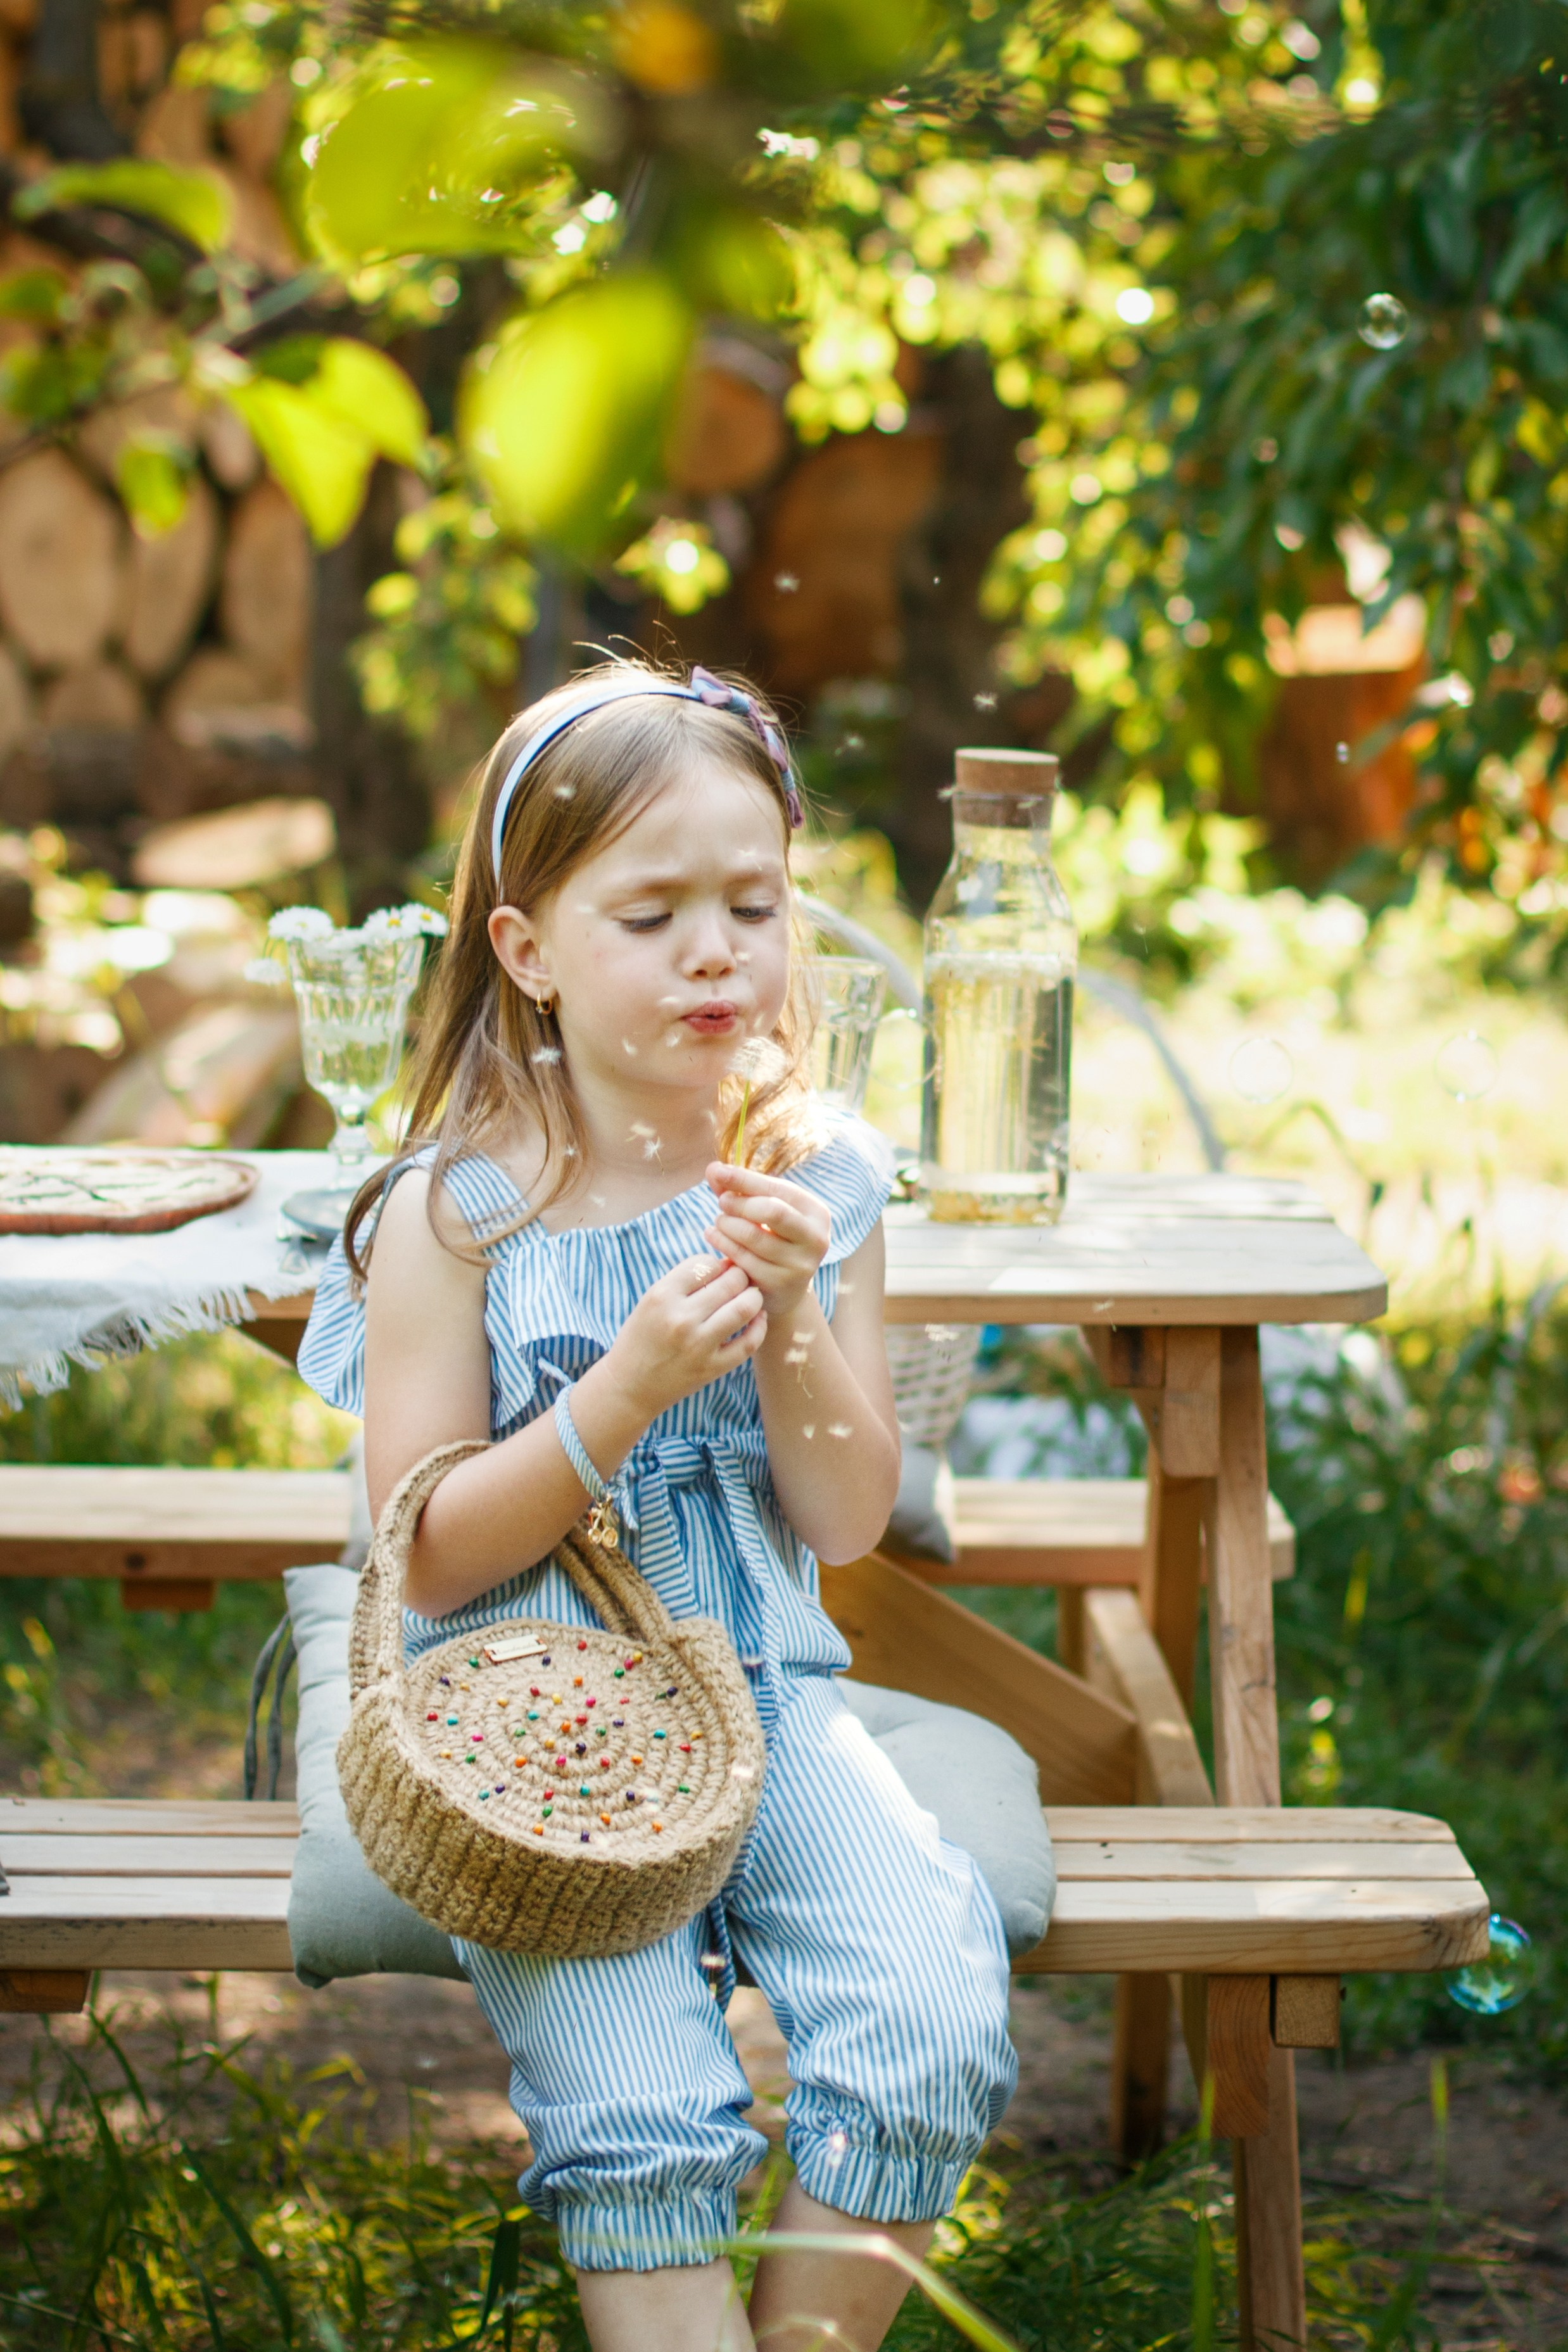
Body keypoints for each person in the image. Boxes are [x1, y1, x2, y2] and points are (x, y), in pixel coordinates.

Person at [297, 660, 1017, 2352]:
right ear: (530, 951)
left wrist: (783, 1321)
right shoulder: (459, 1211)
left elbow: (845, 1522)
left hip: (771, 1698)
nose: (715, 949)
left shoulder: (815, 1174)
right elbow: (430, 1545)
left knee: (921, 2006)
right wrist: (616, 1389)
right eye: (651, 911)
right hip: (530, 1733)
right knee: (635, 2100)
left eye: (753, 903)